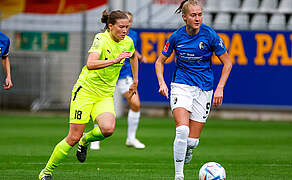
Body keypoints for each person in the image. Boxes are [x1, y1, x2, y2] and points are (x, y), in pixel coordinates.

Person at [38, 10, 138, 180]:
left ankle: (85, 141)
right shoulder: (101, 39)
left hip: (104, 95)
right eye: (121, 27)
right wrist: (114, 61)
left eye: (127, 27)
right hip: (85, 92)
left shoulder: (127, 42)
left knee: (108, 129)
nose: (125, 30)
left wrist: (135, 80)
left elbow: (133, 56)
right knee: (73, 137)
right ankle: (46, 172)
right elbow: (90, 64)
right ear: (110, 26)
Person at [154, 0, 232, 179]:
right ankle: (179, 175)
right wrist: (162, 83)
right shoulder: (176, 37)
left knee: (192, 141)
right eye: (193, 15)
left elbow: (227, 63)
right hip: (181, 86)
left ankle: (188, 150)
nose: (198, 18)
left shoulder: (210, 35)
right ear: (184, 17)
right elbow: (159, 61)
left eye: (200, 14)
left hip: (204, 89)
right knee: (182, 130)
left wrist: (220, 88)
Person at [90, 11, 146, 150]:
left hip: (123, 76)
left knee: (136, 104)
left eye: (129, 23)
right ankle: (95, 139)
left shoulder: (131, 36)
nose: (126, 28)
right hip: (105, 76)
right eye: (123, 25)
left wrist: (136, 77)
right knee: (101, 108)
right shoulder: (104, 38)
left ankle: (131, 138)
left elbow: (132, 52)